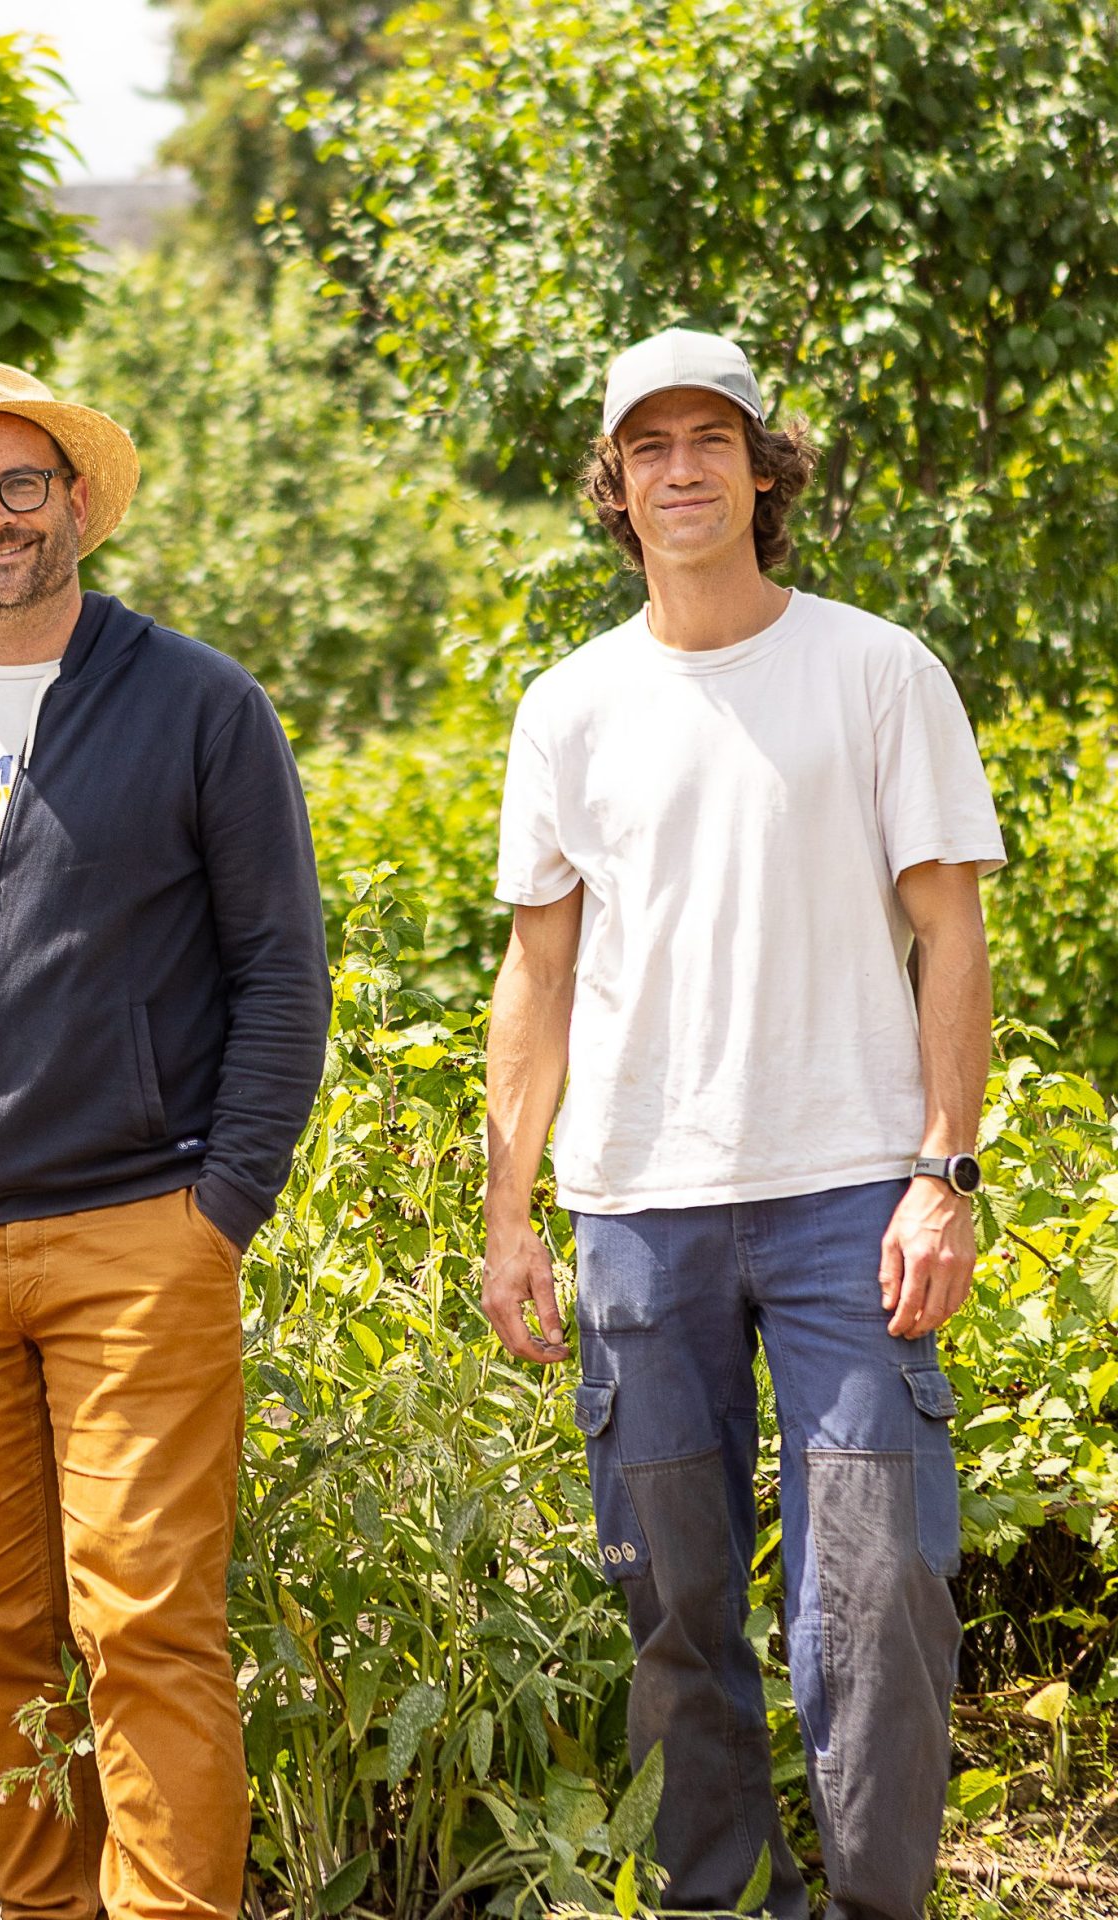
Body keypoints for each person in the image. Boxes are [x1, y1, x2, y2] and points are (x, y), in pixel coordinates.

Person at [0, 360, 331, 1920]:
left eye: (22, 486)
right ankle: (42, 1907)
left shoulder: (199, 704)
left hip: (136, 1235)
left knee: (150, 1627)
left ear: (78, 502)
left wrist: (216, 1207)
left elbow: (280, 971)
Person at [482, 328, 1001, 1920]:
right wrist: (510, 1217)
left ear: (766, 470)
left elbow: (953, 936)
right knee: (672, 1600)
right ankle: (719, 1900)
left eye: (714, 439)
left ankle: (875, 1907)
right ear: (616, 487)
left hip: (853, 1198)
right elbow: (537, 967)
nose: (683, 468)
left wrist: (944, 1172)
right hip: (639, 1206)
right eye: (650, 447)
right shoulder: (567, 706)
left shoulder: (875, 668)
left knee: (879, 1592)